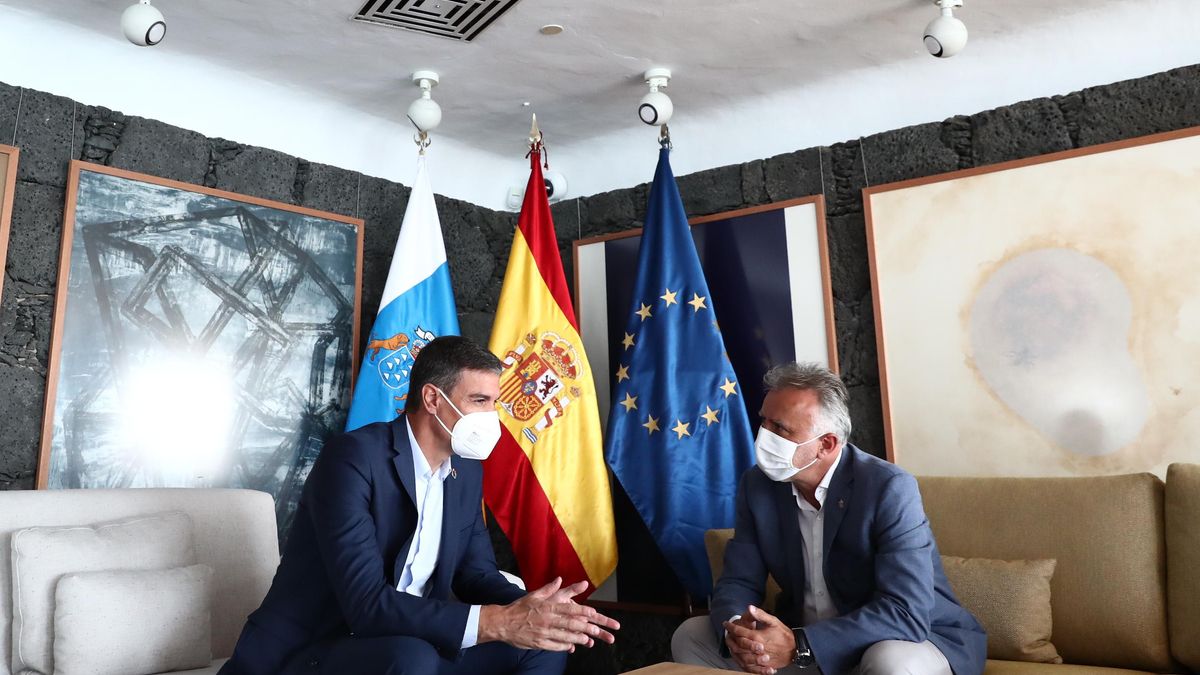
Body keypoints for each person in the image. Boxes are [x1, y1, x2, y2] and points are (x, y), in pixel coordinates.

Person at [220, 335, 619, 675]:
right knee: (412, 657)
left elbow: (474, 574)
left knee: (542, 645)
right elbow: (366, 604)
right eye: (479, 400)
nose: (491, 417)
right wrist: (496, 621)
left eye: (494, 403)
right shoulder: (352, 459)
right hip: (317, 648)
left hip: (416, 647)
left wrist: (537, 609)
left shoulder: (466, 471)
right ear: (432, 398)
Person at [671, 363, 985, 675]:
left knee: (891, 662)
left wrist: (800, 644)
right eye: (763, 422)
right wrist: (740, 632)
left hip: (906, 640)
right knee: (693, 636)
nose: (764, 436)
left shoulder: (888, 488)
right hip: (805, 641)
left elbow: (905, 611)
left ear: (827, 444)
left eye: (780, 428)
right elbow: (739, 580)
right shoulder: (758, 485)